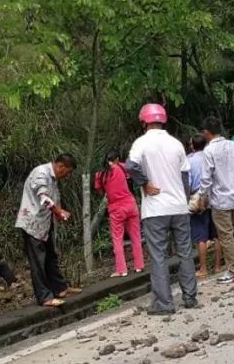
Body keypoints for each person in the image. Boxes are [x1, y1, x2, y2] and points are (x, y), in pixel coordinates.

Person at [126, 104, 197, 315]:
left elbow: (130, 166)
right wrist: (182, 200)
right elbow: (185, 175)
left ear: (143, 122)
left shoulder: (141, 142)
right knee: (185, 253)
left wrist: (144, 183)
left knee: (159, 257)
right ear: (163, 120)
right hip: (179, 208)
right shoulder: (176, 143)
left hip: (156, 210)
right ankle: (190, 298)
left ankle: (164, 305)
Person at [16, 154, 79, 308]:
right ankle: (44, 297)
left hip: (44, 223)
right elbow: (43, 197)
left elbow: (52, 198)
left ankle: (60, 288)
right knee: (38, 261)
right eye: (67, 172)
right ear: (60, 166)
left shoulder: (53, 178)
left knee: (51, 256)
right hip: (32, 223)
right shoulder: (41, 173)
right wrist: (58, 211)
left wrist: (58, 212)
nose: (67, 175)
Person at [198, 116, 234, 284]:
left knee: (226, 235)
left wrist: (201, 195)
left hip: (220, 199)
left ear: (206, 132)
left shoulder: (209, 151)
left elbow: (206, 177)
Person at [94, 152, 144, 278]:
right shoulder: (121, 166)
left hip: (116, 208)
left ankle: (122, 270)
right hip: (130, 204)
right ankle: (139, 266)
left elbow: (100, 191)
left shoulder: (99, 175)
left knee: (117, 239)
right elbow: (132, 171)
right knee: (136, 236)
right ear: (116, 159)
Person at [187, 135, 222, 279]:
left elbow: (188, 183)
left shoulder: (189, 161)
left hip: (197, 198)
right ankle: (218, 266)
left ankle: (203, 268)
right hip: (214, 197)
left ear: (192, 145)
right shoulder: (211, 156)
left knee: (200, 237)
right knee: (216, 234)